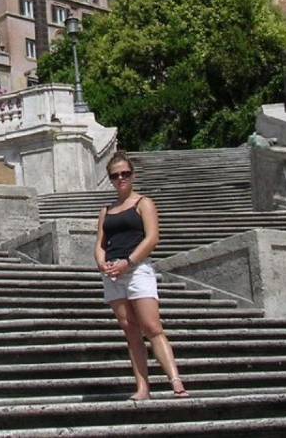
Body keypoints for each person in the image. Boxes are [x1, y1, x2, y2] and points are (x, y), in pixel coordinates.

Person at [95, 151, 188, 400]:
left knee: (151, 326)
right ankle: (143, 388)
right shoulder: (106, 210)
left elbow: (152, 238)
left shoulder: (143, 203)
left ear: (133, 175)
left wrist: (128, 262)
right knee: (130, 331)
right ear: (110, 180)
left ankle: (175, 380)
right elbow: (100, 243)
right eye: (116, 176)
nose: (121, 178)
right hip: (113, 274)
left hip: (137, 269)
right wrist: (102, 263)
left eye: (125, 173)